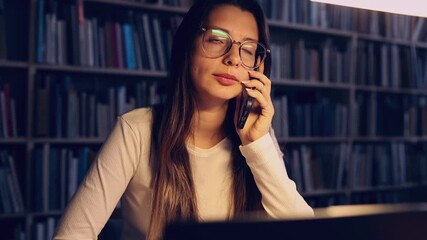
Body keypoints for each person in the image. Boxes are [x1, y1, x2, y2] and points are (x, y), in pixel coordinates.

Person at [53, 0, 313, 239]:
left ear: (259, 66)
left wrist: (257, 144)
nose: (233, 58)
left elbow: (305, 232)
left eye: (248, 49)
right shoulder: (137, 130)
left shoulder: (258, 139)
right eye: (217, 39)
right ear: (188, 46)